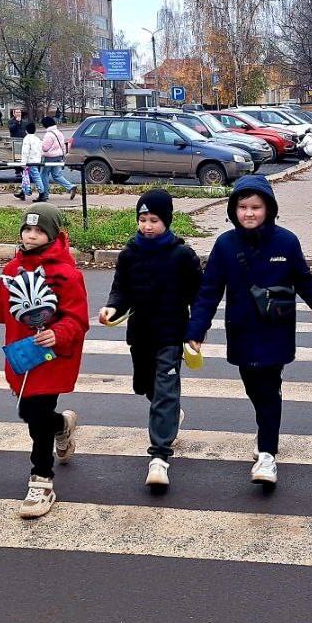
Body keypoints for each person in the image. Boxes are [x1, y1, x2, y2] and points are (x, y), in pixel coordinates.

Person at [186, 175, 312, 486]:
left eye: (256, 207)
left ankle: (267, 454)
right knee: (254, 388)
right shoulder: (224, 245)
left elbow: (303, 280)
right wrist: (196, 330)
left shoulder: (286, 241)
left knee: (269, 389)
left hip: (276, 329)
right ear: (233, 210)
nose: (249, 213)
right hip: (242, 331)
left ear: (269, 209)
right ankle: (265, 430)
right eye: (243, 207)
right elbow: (209, 292)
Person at [0, 203, 89, 518]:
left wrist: (58, 333)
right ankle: (63, 425)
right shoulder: (11, 271)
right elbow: (2, 312)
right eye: (27, 229)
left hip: (53, 356)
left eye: (39, 230)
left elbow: (77, 319)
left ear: (53, 235)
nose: (31, 236)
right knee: (31, 412)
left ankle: (42, 480)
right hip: (24, 356)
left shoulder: (66, 274)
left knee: (36, 415)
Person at [99, 190, 202, 490]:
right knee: (147, 387)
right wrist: (111, 308)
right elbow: (120, 291)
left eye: (154, 220)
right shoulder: (129, 254)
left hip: (171, 334)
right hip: (140, 334)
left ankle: (159, 457)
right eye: (142, 219)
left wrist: (197, 331)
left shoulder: (183, 255)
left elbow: (200, 295)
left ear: (167, 221)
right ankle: (170, 414)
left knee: (165, 390)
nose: (147, 225)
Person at [40, 115, 77, 201]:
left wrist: (40, 144)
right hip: (59, 157)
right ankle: (70, 186)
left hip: (49, 158)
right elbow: (63, 146)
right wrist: (63, 155)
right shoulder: (59, 133)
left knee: (44, 175)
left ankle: (45, 195)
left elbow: (45, 148)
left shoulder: (48, 134)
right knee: (56, 175)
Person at [14, 121, 47, 203]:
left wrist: (23, 163)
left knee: (35, 177)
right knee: (25, 177)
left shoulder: (27, 139)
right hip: (36, 161)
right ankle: (22, 192)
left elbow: (25, 152)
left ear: (26, 130)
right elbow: (41, 151)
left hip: (29, 161)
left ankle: (42, 193)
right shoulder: (37, 139)